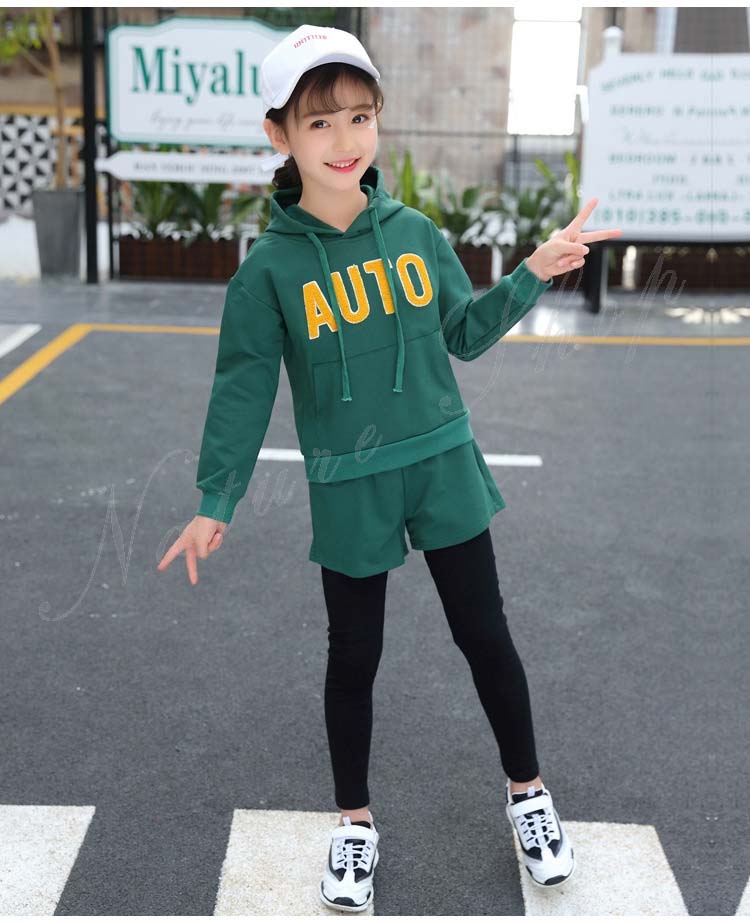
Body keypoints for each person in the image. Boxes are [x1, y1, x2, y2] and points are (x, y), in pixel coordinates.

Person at [157, 22, 622, 911]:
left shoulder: (414, 233)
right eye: (320, 121)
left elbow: (464, 336)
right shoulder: (268, 272)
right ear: (278, 134)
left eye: (360, 117)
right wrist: (217, 498)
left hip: (443, 463)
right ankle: (354, 823)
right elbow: (242, 388)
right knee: (354, 656)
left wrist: (533, 271)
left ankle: (528, 795)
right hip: (350, 481)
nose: (345, 139)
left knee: (485, 635)